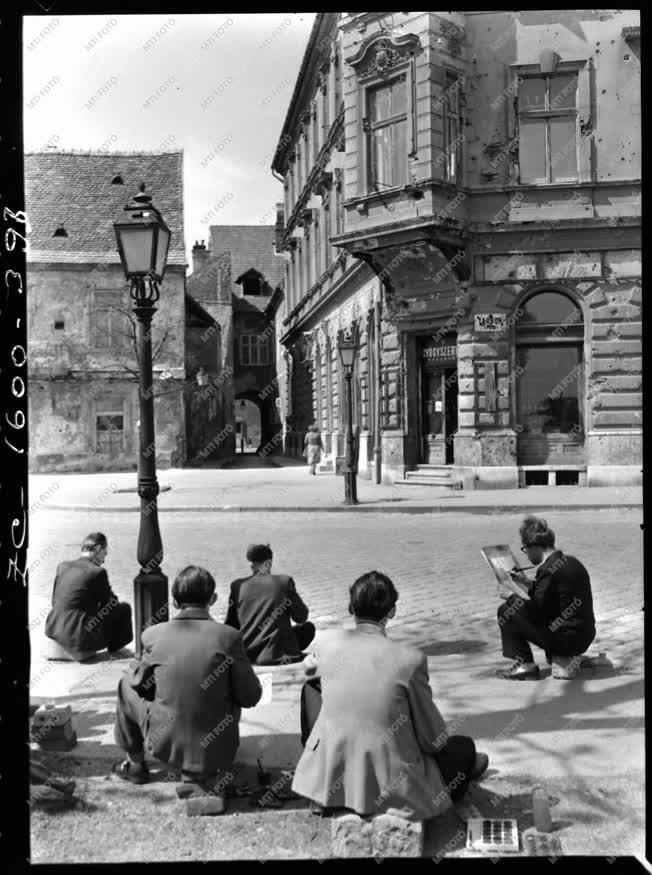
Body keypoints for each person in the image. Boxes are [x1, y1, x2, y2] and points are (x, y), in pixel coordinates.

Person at [292, 571, 489, 820]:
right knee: (463, 748)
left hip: (330, 783)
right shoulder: (410, 660)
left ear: (351, 607)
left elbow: (310, 671)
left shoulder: (327, 644)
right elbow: (434, 740)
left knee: (312, 689)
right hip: (394, 788)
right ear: (392, 611)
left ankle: (332, 790)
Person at [113, 565, 262, 810]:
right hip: (219, 750)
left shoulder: (152, 635)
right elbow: (251, 696)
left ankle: (135, 763)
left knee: (124, 684)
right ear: (213, 599)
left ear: (173, 602)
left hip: (164, 745)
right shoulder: (229, 637)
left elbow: (139, 684)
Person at [496, 515, 596, 680]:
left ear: (535, 546)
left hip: (567, 641)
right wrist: (526, 583)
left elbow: (536, 613)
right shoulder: (570, 561)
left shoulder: (548, 570)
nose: (526, 554)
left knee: (505, 610)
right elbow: (553, 599)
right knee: (517, 609)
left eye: (525, 549)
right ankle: (554, 657)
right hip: (584, 635)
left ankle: (525, 665)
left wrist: (511, 596)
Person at [44, 532, 133, 661]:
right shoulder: (97, 572)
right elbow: (111, 604)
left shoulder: (62, 566)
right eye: (104, 554)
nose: (104, 560)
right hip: (80, 639)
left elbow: (55, 601)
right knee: (124, 609)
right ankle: (116, 648)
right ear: (98, 549)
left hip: (53, 630)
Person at [225, 544, 315, 666]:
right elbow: (301, 617)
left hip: (248, 654)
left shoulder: (237, 586)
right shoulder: (284, 582)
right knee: (308, 628)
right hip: (276, 655)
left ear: (252, 564)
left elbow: (230, 626)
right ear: (269, 562)